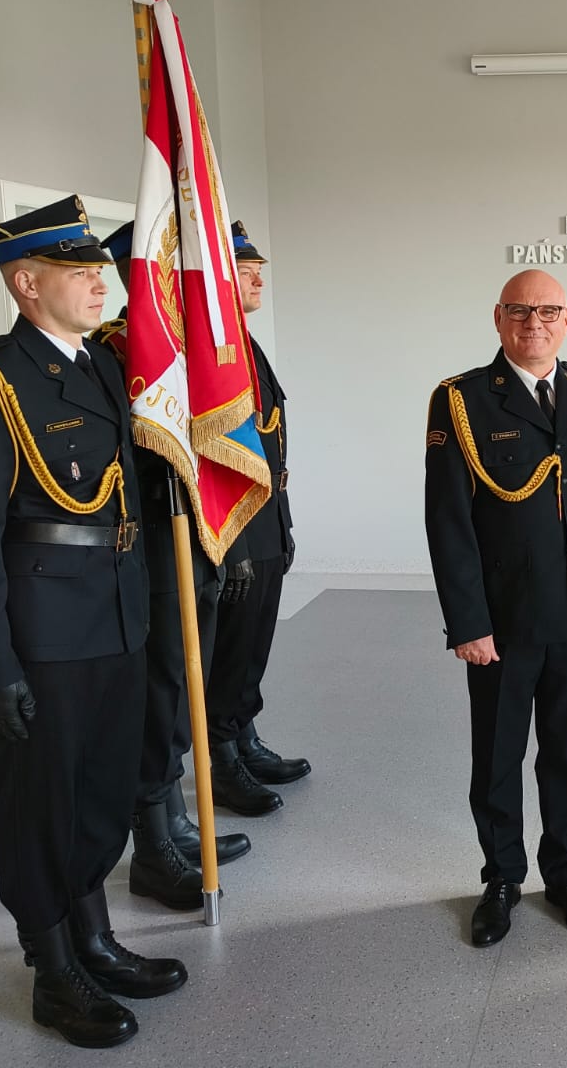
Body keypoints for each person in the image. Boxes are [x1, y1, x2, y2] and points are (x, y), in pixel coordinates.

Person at [0, 196, 184, 1049]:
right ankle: (53, 969)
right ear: (27, 283)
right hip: (43, 632)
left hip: (117, 615)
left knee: (103, 791)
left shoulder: (100, 367)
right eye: (79, 272)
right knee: (43, 804)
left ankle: (95, 940)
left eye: (98, 269)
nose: (100, 283)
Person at [424, 269, 567, 946]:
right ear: (498, 318)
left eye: (547, 312)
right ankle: (502, 877)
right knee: (498, 755)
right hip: (503, 616)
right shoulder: (461, 400)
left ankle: (566, 872)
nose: (533, 323)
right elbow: (448, 521)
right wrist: (468, 622)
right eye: (519, 311)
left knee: (566, 750)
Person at [92, 221, 251, 908]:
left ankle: (178, 821)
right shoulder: (117, 351)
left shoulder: (195, 350)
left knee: (189, 684)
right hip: (154, 539)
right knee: (160, 690)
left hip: (198, 533)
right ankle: (153, 845)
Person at [208, 221, 313, 814]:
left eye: (257, 273)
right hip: (236, 529)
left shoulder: (244, 343)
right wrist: (234, 544)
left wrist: (283, 522)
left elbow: (270, 441)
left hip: (265, 516)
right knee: (230, 646)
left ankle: (244, 738)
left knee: (254, 643)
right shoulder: (212, 352)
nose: (257, 282)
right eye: (246, 273)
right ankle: (222, 759)